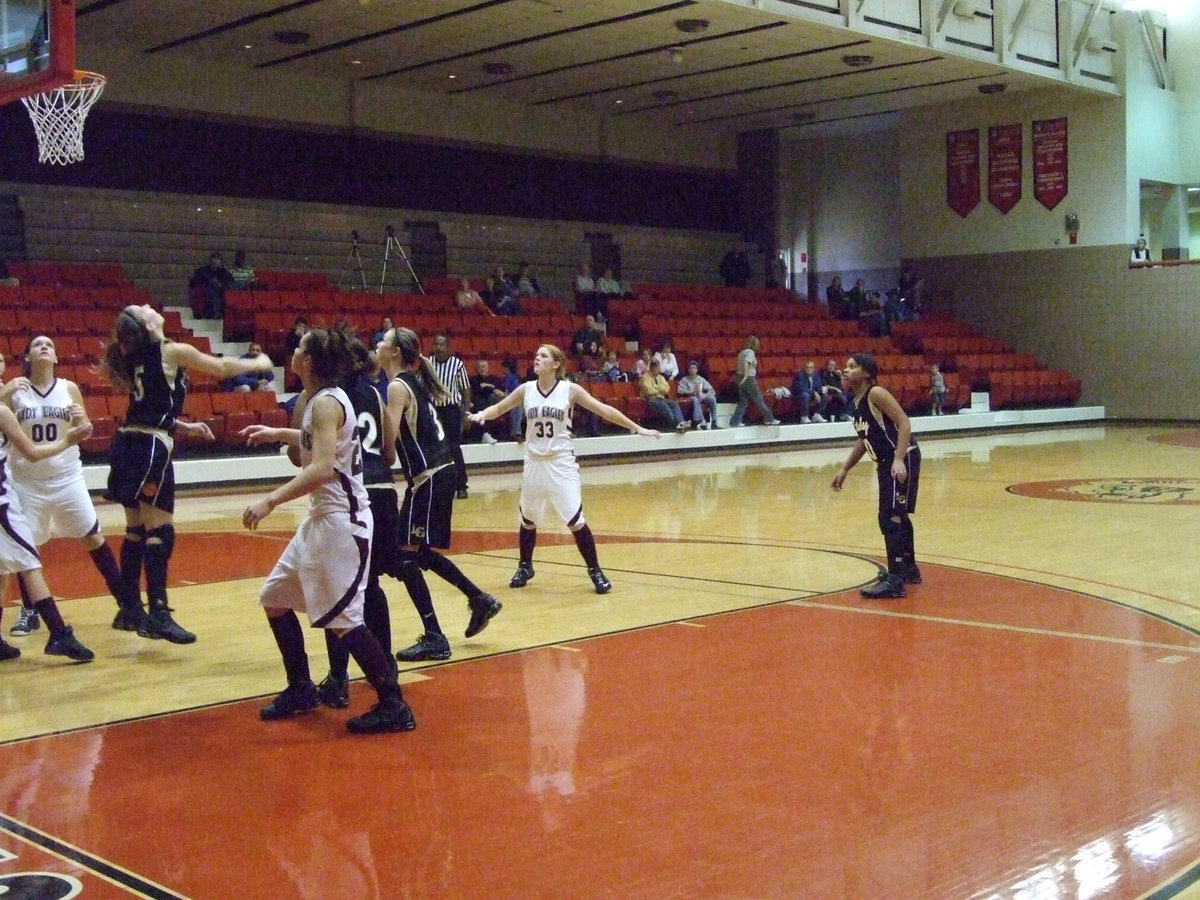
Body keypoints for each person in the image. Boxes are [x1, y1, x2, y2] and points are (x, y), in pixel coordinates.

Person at [240, 324, 415, 734]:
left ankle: (394, 704)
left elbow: (319, 468)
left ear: (311, 361)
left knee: (345, 622)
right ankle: (301, 688)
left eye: (300, 348)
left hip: (342, 522)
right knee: (275, 599)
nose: (293, 352)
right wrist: (278, 432)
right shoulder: (323, 400)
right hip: (321, 520)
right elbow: (321, 443)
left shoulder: (324, 403)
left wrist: (269, 501)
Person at [100, 304, 276, 643]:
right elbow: (223, 367)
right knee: (160, 531)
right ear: (148, 325)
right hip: (150, 448)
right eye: (144, 309)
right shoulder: (170, 350)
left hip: (128, 443)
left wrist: (185, 427)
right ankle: (159, 613)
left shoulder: (138, 355)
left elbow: (147, 408)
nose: (150, 306)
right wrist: (259, 363)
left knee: (136, 529)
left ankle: (130, 609)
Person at [467, 344, 662, 594]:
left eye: (543, 356)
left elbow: (604, 410)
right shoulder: (526, 389)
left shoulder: (570, 390)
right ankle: (525, 566)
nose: (536, 358)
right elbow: (500, 408)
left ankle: (595, 570)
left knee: (575, 520)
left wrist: (638, 428)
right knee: (528, 518)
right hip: (533, 462)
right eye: (536, 355)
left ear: (556, 364)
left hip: (561, 462)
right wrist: (482, 414)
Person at [2, 336, 147, 640]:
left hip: (67, 476)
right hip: (27, 480)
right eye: (38, 344)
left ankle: (127, 605)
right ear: (27, 355)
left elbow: (84, 429)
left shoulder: (69, 388)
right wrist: (4, 394)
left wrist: (85, 426)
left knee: (93, 536)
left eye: (50, 345)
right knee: (26, 550)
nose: (44, 347)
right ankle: (29, 612)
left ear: (56, 358)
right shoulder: (15, 390)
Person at [377, 326, 503, 662]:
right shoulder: (411, 383)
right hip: (437, 475)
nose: (377, 344)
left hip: (430, 476)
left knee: (405, 556)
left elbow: (387, 446)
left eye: (383, 341)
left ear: (394, 353)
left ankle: (435, 636)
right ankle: (479, 599)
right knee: (417, 553)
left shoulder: (396, 387)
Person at [305, 339, 400, 710]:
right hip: (383, 491)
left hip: (350, 496)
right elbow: (390, 452)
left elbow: (306, 456)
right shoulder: (376, 397)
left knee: (339, 590)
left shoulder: (326, 400)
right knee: (370, 586)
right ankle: (386, 662)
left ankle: (340, 678)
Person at [0, 383, 94, 663]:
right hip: (2, 505)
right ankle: (59, 633)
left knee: (3, 569)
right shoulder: (3, 412)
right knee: (30, 565)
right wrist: (69, 440)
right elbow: (33, 453)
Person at [830, 352, 922, 599]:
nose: (845, 370)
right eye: (846, 366)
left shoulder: (876, 393)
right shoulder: (858, 402)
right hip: (885, 461)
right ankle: (907, 569)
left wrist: (899, 459)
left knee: (890, 516)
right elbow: (864, 440)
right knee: (895, 514)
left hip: (901, 456)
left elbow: (904, 423)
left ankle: (895, 579)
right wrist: (845, 469)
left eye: (852, 366)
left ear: (867, 373)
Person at [425, 333, 471, 499]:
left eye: (441, 344)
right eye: (435, 344)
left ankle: (461, 485)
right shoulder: (428, 363)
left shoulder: (457, 364)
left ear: (448, 346)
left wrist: (466, 413)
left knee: (454, 448)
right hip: (434, 411)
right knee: (435, 448)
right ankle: (438, 486)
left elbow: (465, 389)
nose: (437, 347)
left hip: (451, 409)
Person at [729, 335, 779, 427]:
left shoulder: (741, 352)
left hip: (739, 377)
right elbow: (746, 363)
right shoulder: (750, 352)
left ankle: (735, 421)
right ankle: (769, 418)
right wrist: (746, 375)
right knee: (759, 399)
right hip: (748, 378)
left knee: (743, 401)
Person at [640, 359, 688, 433]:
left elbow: (666, 390)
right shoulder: (645, 377)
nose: (654, 368)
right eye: (652, 366)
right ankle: (673, 426)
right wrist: (660, 389)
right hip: (651, 400)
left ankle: (680, 424)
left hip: (662, 399)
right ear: (649, 367)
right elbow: (648, 390)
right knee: (664, 406)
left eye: (656, 366)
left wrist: (655, 387)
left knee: (674, 403)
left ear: (659, 368)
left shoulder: (661, 378)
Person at [469, 359, 505, 444]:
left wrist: (489, 387)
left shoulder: (495, 379)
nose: (482, 369)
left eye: (484, 366)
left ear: (488, 368)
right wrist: (493, 388)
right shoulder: (474, 379)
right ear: (476, 369)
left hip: (495, 403)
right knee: (480, 400)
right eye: (479, 367)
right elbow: (478, 389)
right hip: (480, 404)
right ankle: (485, 434)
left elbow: (501, 392)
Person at [188, 251, 233, 318]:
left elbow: (229, 283)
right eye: (214, 258)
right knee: (211, 290)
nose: (215, 261)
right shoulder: (203, 271)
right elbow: (195, 282)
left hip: (220, 292)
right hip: (206, 292)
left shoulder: (224, 273)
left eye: (218, 259)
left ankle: (218, 313)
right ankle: (214, 313)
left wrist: (220, 285)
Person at [676, 360, 719, 429]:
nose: (692, 369)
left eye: (694, 368)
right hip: (690, 398)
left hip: (701, 397)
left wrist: (704, 396)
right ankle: (697, 421)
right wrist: (690, 392)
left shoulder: (701, 379)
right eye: (690, 368)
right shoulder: (684, 379)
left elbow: (712, 391)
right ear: (688, 370)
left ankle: (714, 422)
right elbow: (680, 390)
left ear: (697, 370)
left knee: (712, 399)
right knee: (695, 399)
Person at [791, 359, 827, 424]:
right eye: (807, 367)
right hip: (799, 395)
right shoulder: (800, 375)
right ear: (804, 368)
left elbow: (818, 387)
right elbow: (801, 388)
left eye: (811, 367)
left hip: (812, 395)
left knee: (825, 395)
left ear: (813, 368)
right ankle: (804, 416)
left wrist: (822, 390)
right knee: (805, 395)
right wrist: (814, 392)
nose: (809, 369)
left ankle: (817, 414)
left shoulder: (816, 375)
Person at [499, 357, 524, 439]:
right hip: (511, 401)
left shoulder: (512, 378)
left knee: (517, 405)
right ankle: (516, 433)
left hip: (516, 399)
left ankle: (516, 433)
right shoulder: (507, 378)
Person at [283, 317, 309, 392]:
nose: (301, 328)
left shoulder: (306, 337)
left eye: (303, 327)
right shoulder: (290, 335)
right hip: (292, 357)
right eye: (300, 326)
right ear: (295, 326)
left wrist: (302, 337)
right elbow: (290, 348)